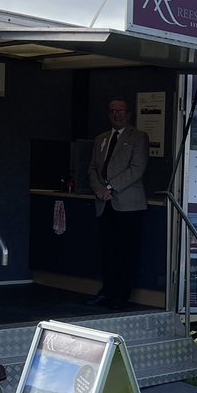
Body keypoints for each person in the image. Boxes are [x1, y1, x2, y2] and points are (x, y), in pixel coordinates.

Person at [88, 99, 149, 310]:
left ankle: (121, 296)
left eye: (120, 111)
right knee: (108, 252)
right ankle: (107, 292)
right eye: (112, 111)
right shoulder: (101, 139)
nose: (117, 115)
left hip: (128, 205)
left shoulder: (139, 137)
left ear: (129, 114)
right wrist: (99, 190)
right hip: (104, 204)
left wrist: (111, 188)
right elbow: (92, 170)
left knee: (126, 252)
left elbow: (136, 169)